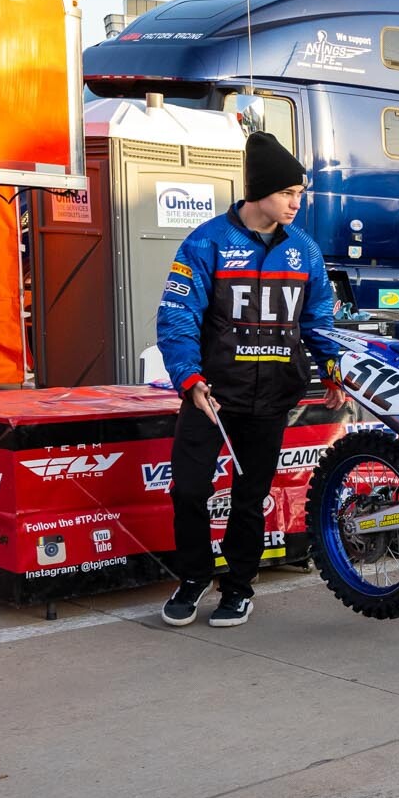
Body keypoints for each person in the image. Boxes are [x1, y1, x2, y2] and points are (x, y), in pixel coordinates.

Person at [153, 131, 344, 629]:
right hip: (210, 397)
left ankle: (238, 588)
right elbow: (176, 315)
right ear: (260, 191)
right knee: (190, 491)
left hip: (272, 399)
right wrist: (188, 378)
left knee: (249, 497)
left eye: (300, 195)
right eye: (288, 194)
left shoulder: (304, 250)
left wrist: (333, 369)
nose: (295, 204)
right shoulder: (206, 241)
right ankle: (193, 579)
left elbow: (318, 318)